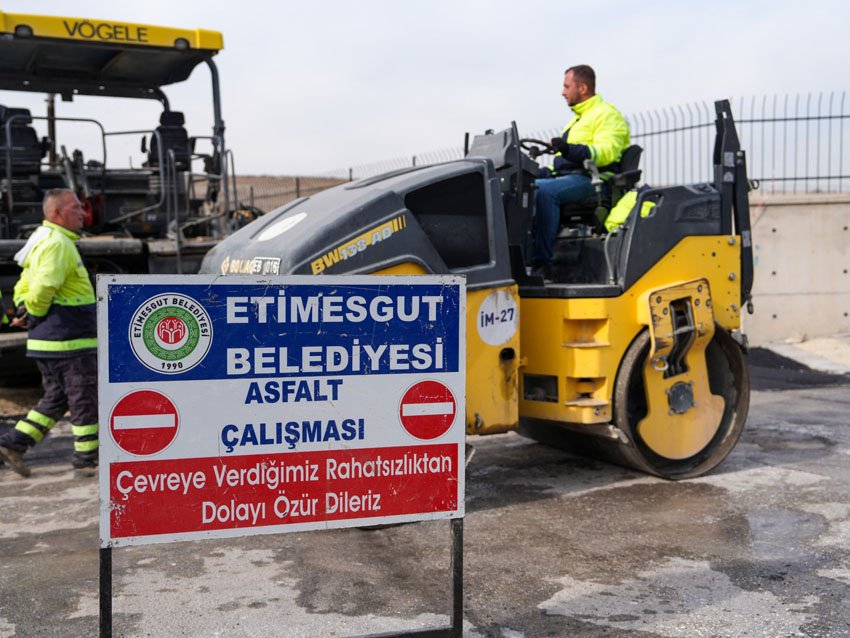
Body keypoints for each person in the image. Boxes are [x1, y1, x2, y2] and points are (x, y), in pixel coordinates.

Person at [0, 188, 98, 478]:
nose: (83, 213)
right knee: (84, 399)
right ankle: (87, 460)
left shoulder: (42, 239)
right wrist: (34, 312)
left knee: (57, 397)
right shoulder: (58, 244)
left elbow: (24, 283)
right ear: (57, 213)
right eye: (76, 208)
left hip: (51, 340)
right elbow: (43, 287)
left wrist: (23, 309)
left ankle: (14, 443)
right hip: (69, 340)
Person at [533, 65, 630, 277]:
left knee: (543, 191)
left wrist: (569, 148)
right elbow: (563, 163)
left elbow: (607, 152)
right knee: (525, 186)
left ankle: (540, 266)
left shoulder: (607, 115)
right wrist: (540, 172)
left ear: (583, 87)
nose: (563, 92)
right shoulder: (576, 121)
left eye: (567, 86)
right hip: (571, 178)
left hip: (593, 181)